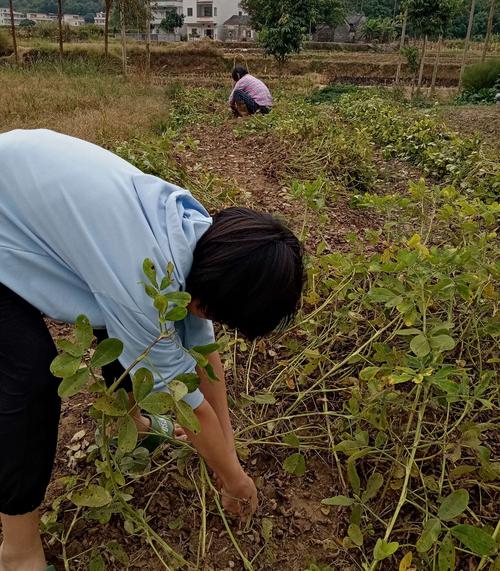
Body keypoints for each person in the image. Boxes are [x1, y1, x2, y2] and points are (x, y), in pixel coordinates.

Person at [0, 129, 304, 571]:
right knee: (29, 381)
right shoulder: (145, 282)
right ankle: (18, 550)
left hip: (17, 188)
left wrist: (228, 447)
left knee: (126, 329)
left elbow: (202, 352)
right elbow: (187, 400)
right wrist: (235, 481)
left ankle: (135, 425)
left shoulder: (197, 236)